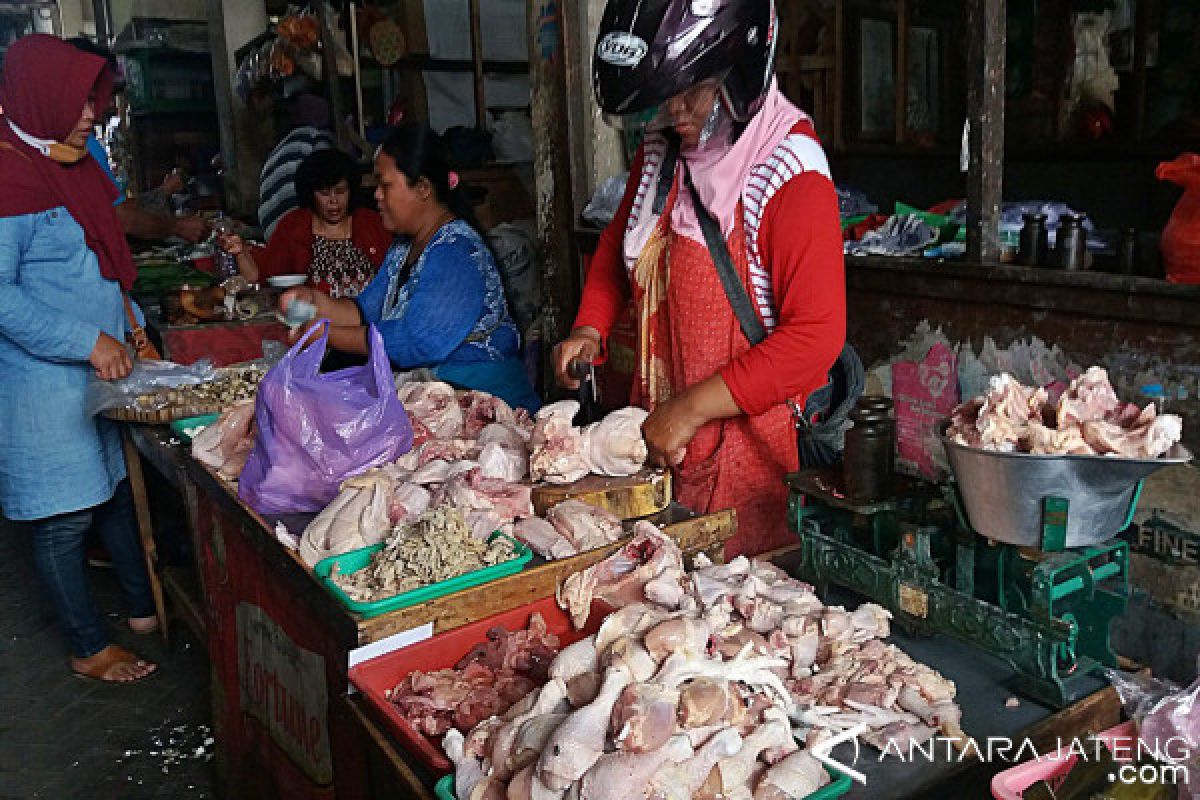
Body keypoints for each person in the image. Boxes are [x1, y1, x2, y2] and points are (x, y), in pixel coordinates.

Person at [553, 0, 846, 558]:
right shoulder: (663, 153)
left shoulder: (789, 173)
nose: (675, 111)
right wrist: (589, 327)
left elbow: (815, 338)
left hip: (750, 472)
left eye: (694, 92)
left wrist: (689, 410)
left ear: (740, 73)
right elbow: (618, 247)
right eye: (664, 96)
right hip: (660, 449)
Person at [0, 35, 158, 682]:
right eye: (82, 101)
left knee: (115, 492)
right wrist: (87, 342)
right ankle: (88, 645)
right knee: (64, 520)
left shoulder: (68, 164)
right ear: (41, 98)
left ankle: (144, 608)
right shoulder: (8, 180)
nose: (94, 113)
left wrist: (133, 325)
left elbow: (101, 265)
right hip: (45, 385)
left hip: (104, 370)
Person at [280, 123, 540, 412]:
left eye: (386, 185)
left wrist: (326, 334)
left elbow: (414, 342)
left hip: (487, 407)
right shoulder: (404, 249)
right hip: (437, 397)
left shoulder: (456, 252)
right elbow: (364, 311)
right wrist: (314, 303)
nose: (376, 195)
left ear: (423, 188)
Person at [67, 37, 209, 244]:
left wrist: (162, 193)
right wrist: (176, 226)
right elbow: (122, 218)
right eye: (106, 92)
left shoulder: (59, 141)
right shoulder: (80, 144)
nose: (109, 105)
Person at [217, 148, 390, 297]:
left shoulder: (372, 222)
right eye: (324, 193)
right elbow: (262, 278)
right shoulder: (293, 226)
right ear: (310, 194)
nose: (333, 201)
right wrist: (241, 254)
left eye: (340, 191)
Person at [258, 91, 336, 240]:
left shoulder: (276, 151)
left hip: (274, 240)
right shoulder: (315, 135)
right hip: (299, 234)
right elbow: (332, 174)